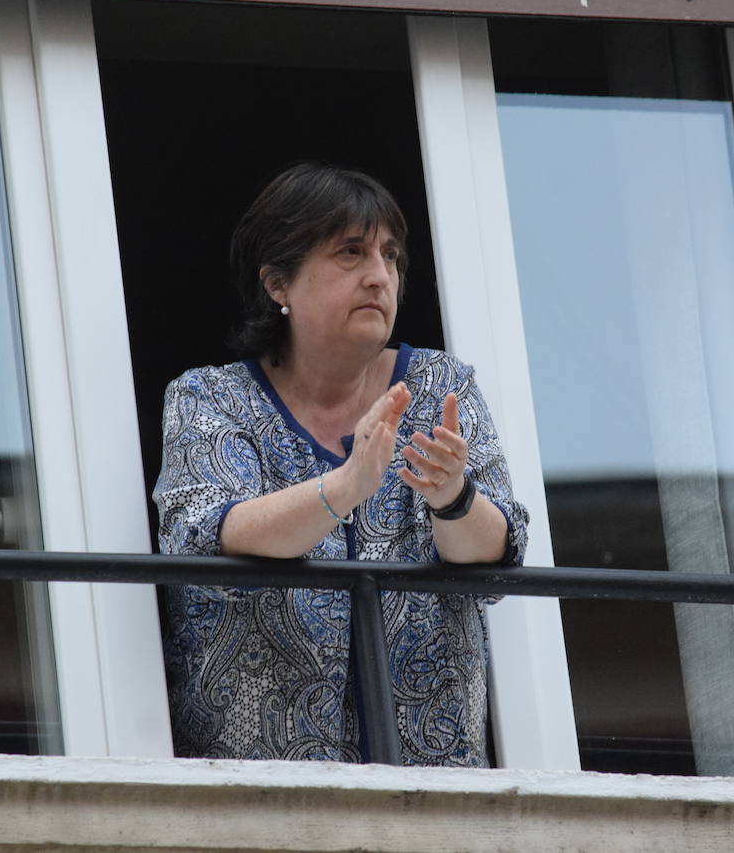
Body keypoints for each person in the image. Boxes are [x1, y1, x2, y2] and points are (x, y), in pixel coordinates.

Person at [153, 162, 528, 766]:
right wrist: (345, 486)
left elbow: (498, 550)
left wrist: (453, 496)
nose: (380, 276)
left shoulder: (440, 387)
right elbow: (208, 535)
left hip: (434, 795)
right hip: (262, 794)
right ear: (278, 283)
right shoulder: (211, 397)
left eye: (390, 256)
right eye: (351, 253)